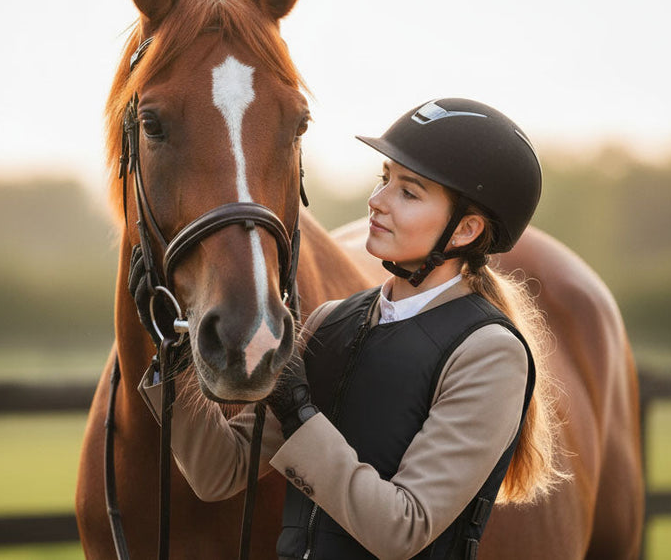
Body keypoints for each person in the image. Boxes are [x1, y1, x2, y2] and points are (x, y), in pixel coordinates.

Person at [133, 97, 563, 559]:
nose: (377, 202)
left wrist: (300, 415)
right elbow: (219, 473)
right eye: (385, 179)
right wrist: (175, 351)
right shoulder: (328, 323)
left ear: (464, 231)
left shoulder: (488, 353)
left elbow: (403, 530)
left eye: (408, 193)